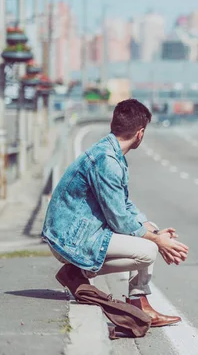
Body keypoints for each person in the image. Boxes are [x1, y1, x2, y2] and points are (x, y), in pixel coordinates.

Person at [42, 99, 189, 327]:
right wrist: (158, 241)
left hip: (81, 231)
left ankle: (139, 302)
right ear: (140, 134)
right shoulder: (107, 161)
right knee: (148, 250)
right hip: (70, 239)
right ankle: (77, 271)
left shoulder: (111, 152)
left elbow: (124, 206)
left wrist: (154, 230)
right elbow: (119, 221)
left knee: (149, 227)